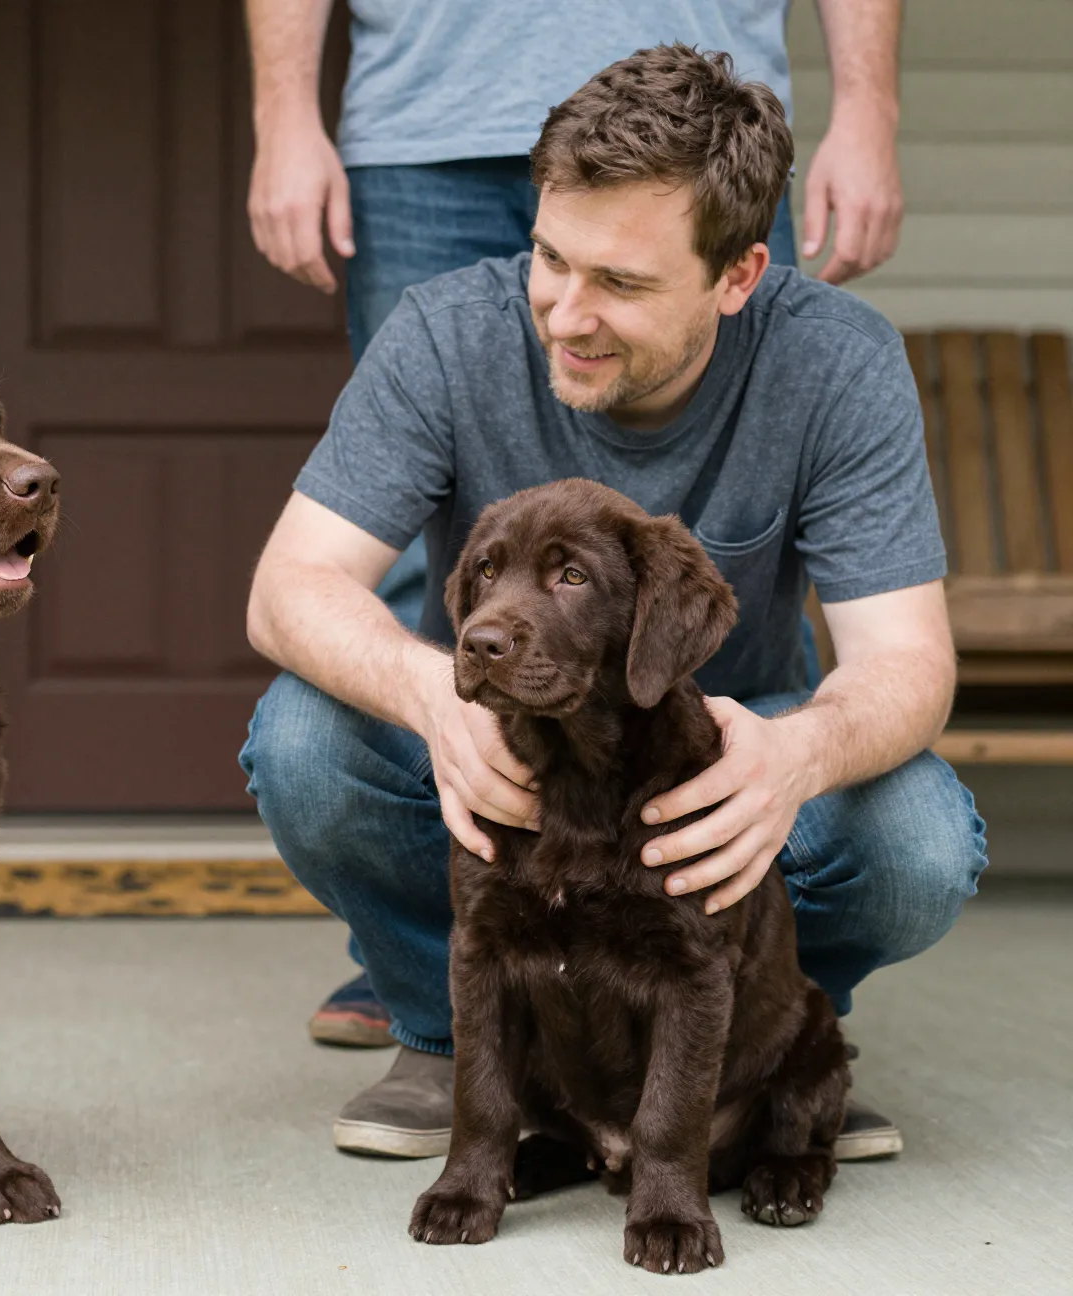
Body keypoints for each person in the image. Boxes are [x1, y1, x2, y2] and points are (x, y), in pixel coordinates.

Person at [240, 44, 985, 1164]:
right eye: (551, 257)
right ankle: (447, 1034)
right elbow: (287, 588)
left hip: (730, 746)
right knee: (301, 739)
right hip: (524, 745)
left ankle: (756, 1046)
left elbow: (908, 662)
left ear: (738, 276)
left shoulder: (836, 363)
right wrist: (433, 699)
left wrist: (797, 757)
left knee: (920, 837)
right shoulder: (449, 332)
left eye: (623, 285)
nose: (567, 313)